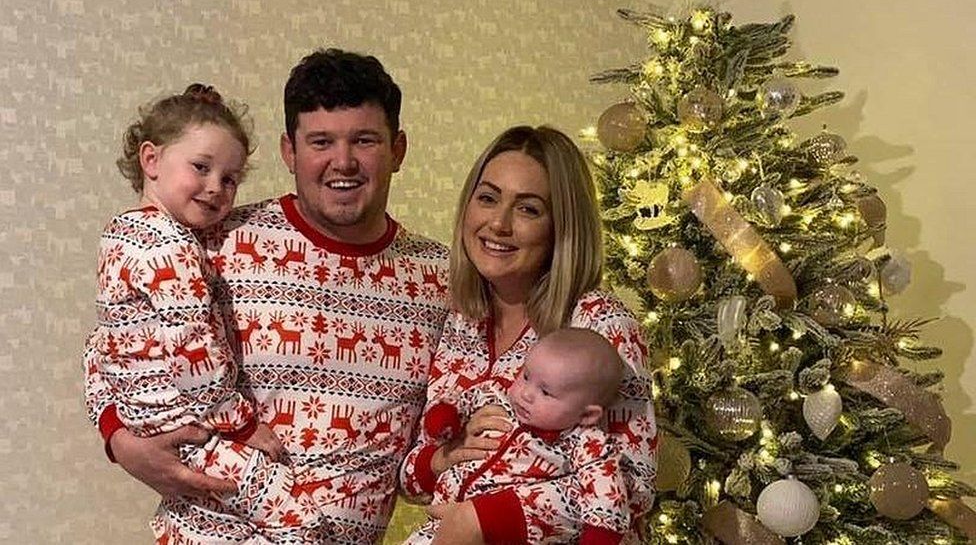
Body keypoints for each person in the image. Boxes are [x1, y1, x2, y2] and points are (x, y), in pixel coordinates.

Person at [84, 49, 452, 543]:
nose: (342, 161)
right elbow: (111, 345)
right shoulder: (213, 237)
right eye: (321, 141)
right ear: (289, 151)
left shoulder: (444, 278)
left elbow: (440, 437)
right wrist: (121, 441)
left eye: (364, 140)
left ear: (398, 149)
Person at [83, 82, 335, 538]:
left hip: (153, 421)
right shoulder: (171, 247)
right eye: (201, 167)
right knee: (305, 527)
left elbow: (100, 345)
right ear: (151, 159)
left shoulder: (119, 233)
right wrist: (242, 425)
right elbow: (194, 348)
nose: (215, 188)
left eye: (230, 178)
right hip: (192, 430)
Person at [399, 125, 657, 544]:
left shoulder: (601, 326)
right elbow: (412, 479)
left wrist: (482, 519)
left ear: (562, 228)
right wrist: (447, 454)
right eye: (487, 198)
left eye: (528, 209)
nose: (498, 223)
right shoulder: (460, 320)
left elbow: (632, 489)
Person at [406, 327, 630, 544]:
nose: (526, 393)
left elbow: (608, 503)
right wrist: (446, 418)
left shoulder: (587, 444)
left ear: (587, 414)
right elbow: (460, 401)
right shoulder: (497, 394)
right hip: (438, 527)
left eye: (545, 392)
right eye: (526, 376)